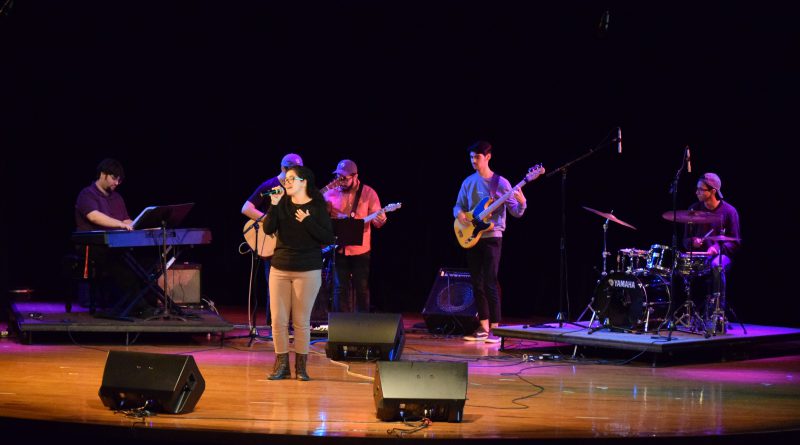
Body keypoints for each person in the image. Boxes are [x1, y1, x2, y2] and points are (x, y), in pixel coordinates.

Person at [262, 165, 335, 381]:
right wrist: (273, 206)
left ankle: (301, 367)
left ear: (304, 181)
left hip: (308, 269)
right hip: (280, 267)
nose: (287, 181)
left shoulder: (317, 205)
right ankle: (281, 365)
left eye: (292, 178)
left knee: (301, 321)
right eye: (286, 178)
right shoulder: (281, 202)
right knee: (278, 320)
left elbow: (327, 237)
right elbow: (267, 229)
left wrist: (307, 220)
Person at [453, 141, 527, 343]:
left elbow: (515, 212)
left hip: (493, 237)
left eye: (477, 157)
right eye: (471, 158)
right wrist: (459, 215)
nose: (473, 161)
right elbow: (458, 205)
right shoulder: (468, 182)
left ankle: (496, 327)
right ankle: (483, 325)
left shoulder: (501, 183)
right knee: (476, 282)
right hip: (472, 236)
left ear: (488, 157)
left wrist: (522, 203)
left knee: (490, 282)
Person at [241, 153, 304, 326]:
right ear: (283, 169)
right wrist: (267, 220)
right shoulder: (270, 186)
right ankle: (274, 324)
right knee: (275, 287)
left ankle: (290, 325)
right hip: (272, 244)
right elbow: (246, 208)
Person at [73, 158, 138, 311]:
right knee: (117, 262)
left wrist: (141, 225)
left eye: (119, 180)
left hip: (114, 244)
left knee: (143, 260)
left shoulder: (117, 197)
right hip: (91, 246)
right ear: (103, 174)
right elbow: (94, 216)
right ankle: (136, 305)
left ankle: (140, 302)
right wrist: (120, 224)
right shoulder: (87, 194)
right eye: (114, 178)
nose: (116, 183)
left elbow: (126, 220)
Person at [324, 159, 388, 313]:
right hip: (339, 248)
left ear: (355, 176)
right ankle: (341, 325)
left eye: (344, 178)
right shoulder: (330, 193)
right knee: (340, 289)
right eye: (338, 176)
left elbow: (378, 222)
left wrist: (381, 219)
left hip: (361, 249)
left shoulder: (368, 193)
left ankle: (362, 325)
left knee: (362, 288)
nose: (341, 181)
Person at [682, 172, 741, 313]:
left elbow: (736, 242)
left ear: (713, 191)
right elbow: (685, 241)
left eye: (701, 189)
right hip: (699, 257)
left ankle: (717, 313)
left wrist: (718, 247)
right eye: (697, 189)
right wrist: (693, 242)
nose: (697, 192)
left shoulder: (729, 211)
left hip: (721, 256)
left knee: (716, 265)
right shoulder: (693, 209)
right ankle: (685, 314)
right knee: (676, 267)